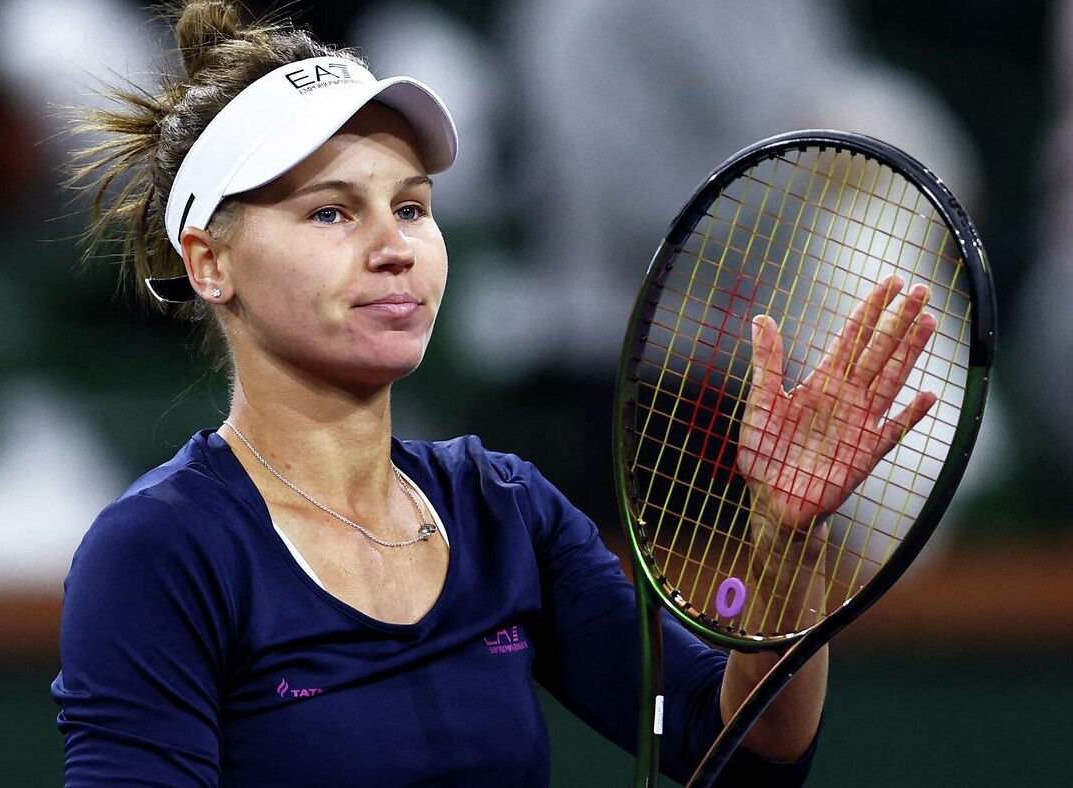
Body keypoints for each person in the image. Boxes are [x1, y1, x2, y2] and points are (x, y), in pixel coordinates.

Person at [50, 2, 937, 784]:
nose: (394, 248)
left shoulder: (504, 509)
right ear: (210, 263)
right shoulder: (159, 553)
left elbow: (735, 745)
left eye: (411, 207)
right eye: (331, 212)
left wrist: (782, 545)